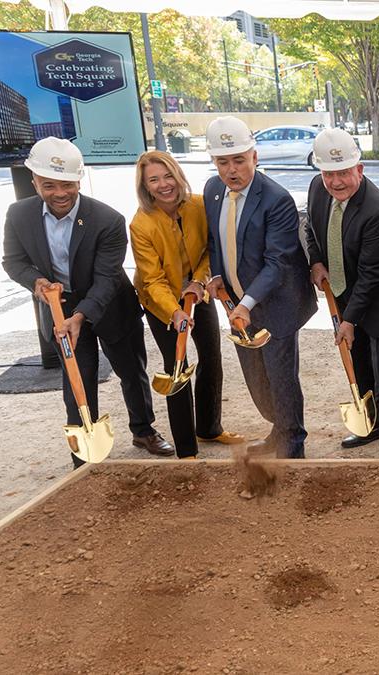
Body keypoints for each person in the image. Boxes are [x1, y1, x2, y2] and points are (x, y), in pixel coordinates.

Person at [2, 137, 172, 466]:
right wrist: (36, 282)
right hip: (59, 306)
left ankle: (143, 430)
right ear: (34, 181)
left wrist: (80, 317)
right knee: (77, 376)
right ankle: (84, 451)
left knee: (131, 371)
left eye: (67, 184)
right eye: (49, 185)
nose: (60, 193)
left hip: (111, 304)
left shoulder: (107, 220)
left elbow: (106, 278)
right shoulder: (19, 214)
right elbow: (14, 261)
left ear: (79, 180)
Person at [203, 116, 317, 459]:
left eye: (239, 160)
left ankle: (292, 446)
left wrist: (247, 303)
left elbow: (277, 262)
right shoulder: (212, 190)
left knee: (281, 379)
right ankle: (279, 429)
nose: (231, 170)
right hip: (237, 305)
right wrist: (217, 275)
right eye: (223, 162)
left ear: (254, 156)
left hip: (277, 303)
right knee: (257, 382)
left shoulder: (276, 199)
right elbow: (215, 240)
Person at [305, 128, 379, 459]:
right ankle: (371, 425)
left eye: (343, 173)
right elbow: (310, 227)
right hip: (344, 291)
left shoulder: (377, 211)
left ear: (360, 169)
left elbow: (371, 276)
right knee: (360, 364)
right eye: (329, 174)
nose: (335, 182)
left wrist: (349, 320)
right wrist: (316, 261)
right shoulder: (317, 188)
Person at [129, 150, 242, 459]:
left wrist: (199, 281)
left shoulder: (197, 206)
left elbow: (209, 249)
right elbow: (152, 279)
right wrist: (175, 311)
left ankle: (209, 428)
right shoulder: (141, 224)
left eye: (168, 176)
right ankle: (186, 449)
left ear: (178, 176)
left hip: (197, 290)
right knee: (176, 367)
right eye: (154, 180)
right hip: (160, 300)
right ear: (145, 186)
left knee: (211, 356)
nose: (164, 185)